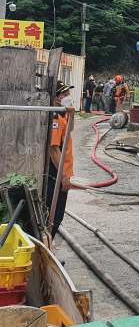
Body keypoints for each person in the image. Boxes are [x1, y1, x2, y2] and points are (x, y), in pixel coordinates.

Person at [46, 80, 75, 240]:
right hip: (56, 173)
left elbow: (70, 128)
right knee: (53, 215)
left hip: (62, 171)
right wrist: (63, 177)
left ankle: (49, 249)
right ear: (56, 97)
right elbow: (53, 149)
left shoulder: (63, 113)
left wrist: (71, 112)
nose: (68, 97)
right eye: (65, 94)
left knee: (57, 215)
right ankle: (47, 251)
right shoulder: (55, 117)